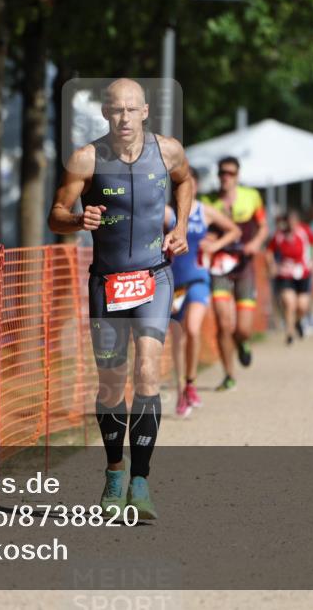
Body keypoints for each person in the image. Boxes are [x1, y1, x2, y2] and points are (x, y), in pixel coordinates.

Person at [48, 78, 192, 519]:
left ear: (145, 111)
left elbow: (186, 182)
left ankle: (141, 483)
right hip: (107, 282)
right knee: (112, 384)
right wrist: (78, 219)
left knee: (148, 373)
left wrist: (181, 228)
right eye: (116, 110)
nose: (124, 118)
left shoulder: (168, 151)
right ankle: (114, 472)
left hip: (154, 278)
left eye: (132, 109)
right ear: (106, 114)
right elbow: (55, 217)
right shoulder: (86, 159)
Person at [164, 167, 241, 417]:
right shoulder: (166, 213)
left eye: (189, 184)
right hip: (175, 285)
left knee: (194, 329)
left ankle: (191, 382)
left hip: (198, 280)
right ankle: (180, 392)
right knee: (178, 336)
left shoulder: (203, 211)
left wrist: (215, 245)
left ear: (194, 186)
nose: (185, 189)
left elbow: (234, 230)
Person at [201, 156, 268, 392]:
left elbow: (263, 227)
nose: (225, 177)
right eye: (221, 173)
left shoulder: (252, 197)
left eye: (230, 173)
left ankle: (243, 342)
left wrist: (257, 243)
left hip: (244, 266)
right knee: (223, 323)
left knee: (243, 328)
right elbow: (199, 229)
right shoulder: (208, 201)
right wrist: (206, 238)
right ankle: (229, 374)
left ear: (237, 176)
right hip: (219, 267)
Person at [267, 210, 313, 345]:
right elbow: (269, 250)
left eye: (294, 221)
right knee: (290, 303)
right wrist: (272, 265)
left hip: (303, 273)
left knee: (302, 305)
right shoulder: (279, 235)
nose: (291, 225)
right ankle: (289, 333)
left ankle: (297, 322)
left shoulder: (304, 231)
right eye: (289, 222)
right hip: (285, 274)